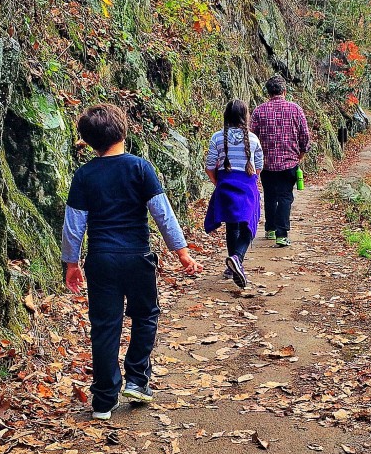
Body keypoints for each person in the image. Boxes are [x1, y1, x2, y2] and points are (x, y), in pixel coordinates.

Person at [62, 103, 202, 420]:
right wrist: (182, 252)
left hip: (101, 260)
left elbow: (74, 224)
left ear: (88, 140)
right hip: (137, 257)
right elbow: (162, 214)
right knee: (145, 315)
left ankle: (104, 399)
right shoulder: (140, 168)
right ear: (124, 131)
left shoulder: (83, 176)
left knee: (105, 326)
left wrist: (72, 263)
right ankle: (138, 380)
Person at [204, 100, 263, 289]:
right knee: (249, 226)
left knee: (232, 226)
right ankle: (237, 258)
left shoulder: (217, 137)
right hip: (247, 186)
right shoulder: (253, 139)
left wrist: (218, 182)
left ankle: (231, 267)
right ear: (245, 116)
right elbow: (258, 167)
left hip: (225, 185)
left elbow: (209, 166)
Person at [250, 74, 310, 247]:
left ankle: (270, 229)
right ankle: (282, 234)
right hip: (289, 162)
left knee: (269, 195)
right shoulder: (295, 109)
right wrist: (301, 154)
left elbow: (251, 136)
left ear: (268, 92)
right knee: (285, 196)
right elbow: (304, 136)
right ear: (284, 91)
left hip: (266, 164)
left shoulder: (259, 111)